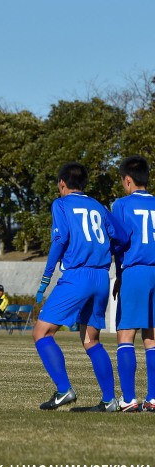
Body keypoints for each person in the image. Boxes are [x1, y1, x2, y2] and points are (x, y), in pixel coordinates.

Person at [33, 162, 128, 412]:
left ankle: (64, 390)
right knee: (91, 340)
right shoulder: (98, 206)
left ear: (62, 184)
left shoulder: (61, 204)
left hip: (78, 276)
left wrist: (45, 278)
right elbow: (122, 236)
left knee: (41, 333)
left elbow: (60, 238)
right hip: (101, 277)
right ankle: (110, 400)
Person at [111, 155, 155, 413]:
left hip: (135, 270)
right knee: (152, 337)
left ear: (128, 180)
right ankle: (154, 397)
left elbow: (119, 242)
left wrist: (118, 275)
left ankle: (128, 398)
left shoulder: (122, 205)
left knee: (126, 334)